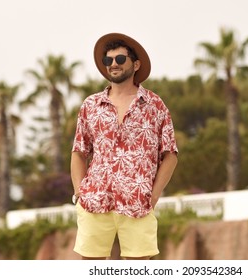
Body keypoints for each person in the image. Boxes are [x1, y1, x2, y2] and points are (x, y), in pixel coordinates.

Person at [70, 33, 178, 260]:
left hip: (138, 203)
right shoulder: (91, 105)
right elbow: (79, 152)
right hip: (95, 200)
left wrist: (154, 195)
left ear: (135, 64)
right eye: (108, 61)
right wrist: (80, 193)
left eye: (120, 59)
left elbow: (170, 155)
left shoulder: (154, 105)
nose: (113, 65)